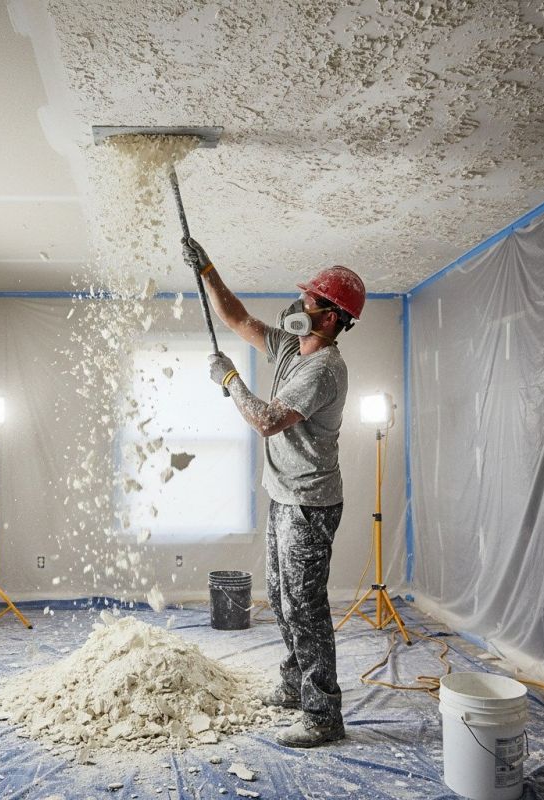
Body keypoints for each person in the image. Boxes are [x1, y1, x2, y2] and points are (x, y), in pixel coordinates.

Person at [182, 237, 366, 748]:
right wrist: (208, 271)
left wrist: (230, 380)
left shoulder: (324, 369)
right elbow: (238, 319)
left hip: (310, 504)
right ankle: (293, 684)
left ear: (330, 318)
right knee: (283, 599)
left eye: (309, 301)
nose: (298, 305)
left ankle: (323, 714)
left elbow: (266, 420)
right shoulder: (290, 347)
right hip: (284, 495)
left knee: (306, 607)